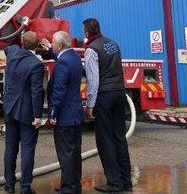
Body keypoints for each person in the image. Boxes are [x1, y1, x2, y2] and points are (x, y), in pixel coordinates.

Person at [83, 18, 132, 193]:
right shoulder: (113, 44)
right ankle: (126, 181)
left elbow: (93, 80)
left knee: (105, 141)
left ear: (87, 32)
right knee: (119, 137)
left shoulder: (91, 50)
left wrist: (90, 105)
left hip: (104, 96)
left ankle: (114, 183)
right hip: (120, 93)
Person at [2, 31, 45, 194]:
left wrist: (20, 29)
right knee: (27, 149)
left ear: (21, 41)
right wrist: (38, 116)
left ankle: (9, 184)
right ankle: (25, 187)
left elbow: (8, 47)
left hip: (9, 108)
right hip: (27, 112)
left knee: (10, 148)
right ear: (38, 45)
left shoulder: (12, 53)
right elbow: (37, 92)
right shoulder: (36, 64)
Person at [48, 31, 85, 194]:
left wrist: (53, 112)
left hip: (65, 116)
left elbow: (59, 89)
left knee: (66, 154)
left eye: (53, 44)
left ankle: (68, 188)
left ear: (60, 45)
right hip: (76, 114)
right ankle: (74, 185)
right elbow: (63, 61)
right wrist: (50, 50)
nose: (52, 46)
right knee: (75, 153)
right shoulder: (74, 57)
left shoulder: (63, 62)